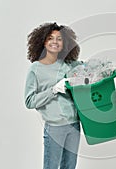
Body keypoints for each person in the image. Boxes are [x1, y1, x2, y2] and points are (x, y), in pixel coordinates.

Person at [24, 22, 82, 169]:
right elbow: (29, 101)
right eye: (51, 38)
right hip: (55, 128)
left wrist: (107, 68)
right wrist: (53, 90)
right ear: (43, 41)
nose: (55, 42)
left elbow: (89, 69)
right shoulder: (35, 69)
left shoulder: (69, 64)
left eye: (59, 39)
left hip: (74, 125)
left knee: (70, 167)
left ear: (65, 43)